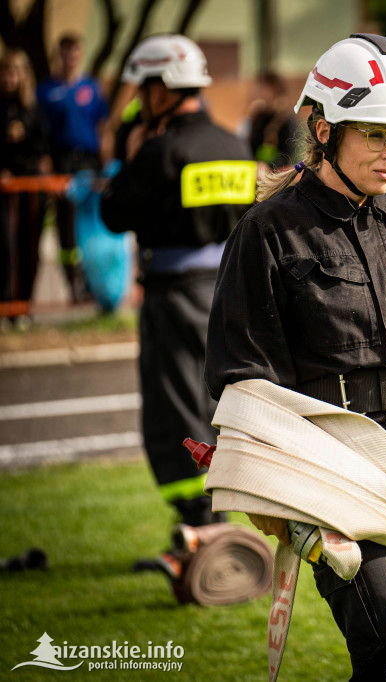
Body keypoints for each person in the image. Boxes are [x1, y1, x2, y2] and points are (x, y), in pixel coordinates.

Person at [204, 34, 386, 679]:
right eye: (376, 135)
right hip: (335, 473)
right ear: (323, 127)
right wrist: (271, 496)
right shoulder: (268, 234)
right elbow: (240, 374)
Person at [100, 35, 255, 529]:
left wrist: (127, 157)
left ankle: (199, 524)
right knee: (219, 401)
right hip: (229, 293)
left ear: (164, 88)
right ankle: (220, 513)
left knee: (175, 408)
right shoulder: (234, 145)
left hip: (172, 295)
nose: (142, 100)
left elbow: (112, 213)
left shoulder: (160, 151)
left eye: (145, 88)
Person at [36, 33, 108, 301]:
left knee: (90, 223)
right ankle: (72, 285)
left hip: (89, 162)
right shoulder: (46, 91)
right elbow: (40, 135)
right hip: (62, 162)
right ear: (59, 55)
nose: (71, 58)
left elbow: (103, 128)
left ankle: (92, 283)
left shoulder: (91, 86)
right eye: (66, 53)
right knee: (66, 226)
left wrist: (106, 164)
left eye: (76, 52)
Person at [1, 48, 50, 322]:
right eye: (6, 72)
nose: (10, 78)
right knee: (6, 248)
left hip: (29, 192)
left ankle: (24, 307)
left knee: (29, 249)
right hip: (4, 195)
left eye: (15, 72)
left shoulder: (33, 110)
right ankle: (7, 305)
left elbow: (42, 150)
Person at [243, 70, 301, 169]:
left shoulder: (287, 120)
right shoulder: (258, 117)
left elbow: (288, 156)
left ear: (275, 89)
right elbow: (248, 148)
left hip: (278, 176)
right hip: (258, 174)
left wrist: (267, 167)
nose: (259, 92)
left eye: (263, 88)